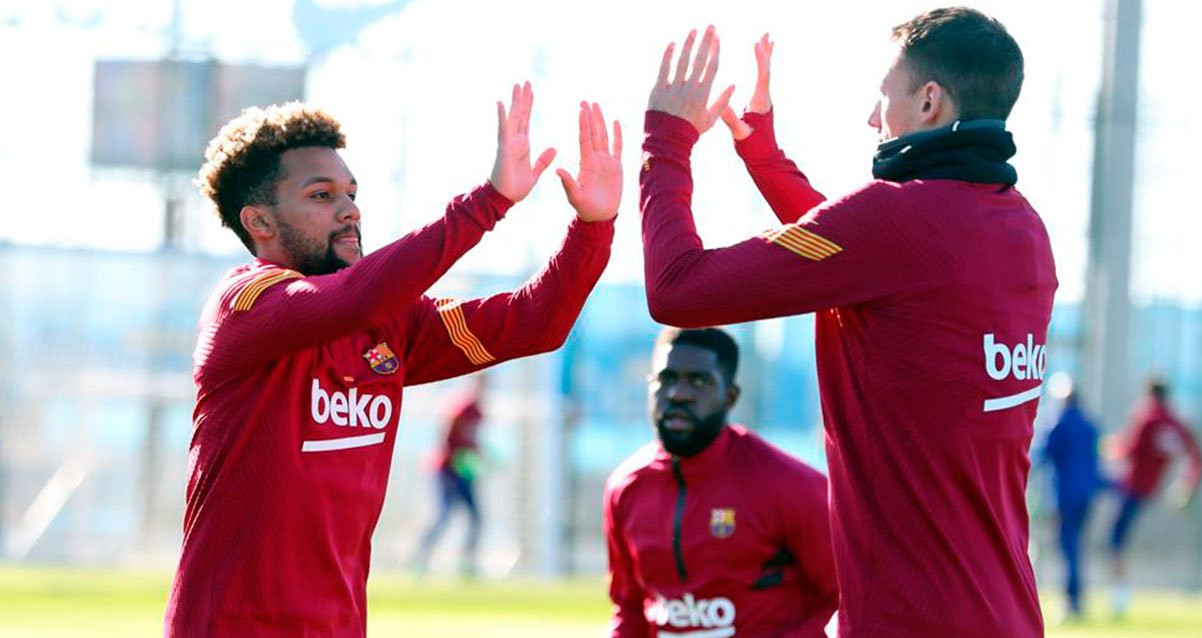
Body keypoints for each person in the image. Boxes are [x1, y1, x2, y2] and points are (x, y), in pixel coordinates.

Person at [639, 8, 1055, 637]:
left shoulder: (901, 220)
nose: (871, 117)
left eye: (882, 96)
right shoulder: (1022, 228)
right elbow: (859, 264)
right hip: (1007, 617)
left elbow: (678, 291)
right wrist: (762, 152)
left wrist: (665, 140)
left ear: (929, 102)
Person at [164, 86, 623, 636]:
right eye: (320, 195)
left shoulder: (389, 324)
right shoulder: (246, 304)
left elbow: (536, 325)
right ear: (259, 222)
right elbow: (357, 296)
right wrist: (489, 202)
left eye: (351, 192)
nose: (349, 208)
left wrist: (592, 228)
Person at [604, 327, 838, 637]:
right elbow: (630, 606)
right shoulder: (625, 487)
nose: (679, 394)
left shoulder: (791, 486)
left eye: (699, 381)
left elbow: (847, 597)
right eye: (667, 379)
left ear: (730, 397)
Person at [1107, 377, 1201, 616]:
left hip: (1132, 486)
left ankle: (1120, 595)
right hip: (1153, 489)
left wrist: (1111, 447)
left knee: (1115, 539)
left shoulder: (1147, 417)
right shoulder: (1174, 422)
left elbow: (1130, 450)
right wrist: (1186, 485)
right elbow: (1194, 454)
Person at [1039, 380, 1105, 620]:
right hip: (1086, 494)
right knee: (1076, 545)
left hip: (1065, 494)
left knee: (1068, 545)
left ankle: (1073, 600)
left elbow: (1042, 454)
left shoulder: (1059, 422)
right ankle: (1076, 597)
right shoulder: (1090, 424)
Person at [413, 373, 489, 576]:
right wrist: (459, 455)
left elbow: (473, 441)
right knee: (443, 516)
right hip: (446, 469)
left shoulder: (478, 411)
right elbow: (446, 437)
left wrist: (479, 456)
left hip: (463, 470)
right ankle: (421, 558)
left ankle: (467, 563)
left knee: (476, 517)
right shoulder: (460, 407)